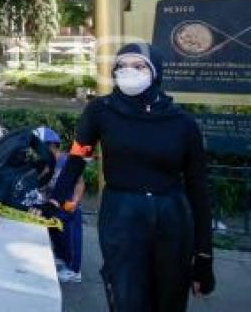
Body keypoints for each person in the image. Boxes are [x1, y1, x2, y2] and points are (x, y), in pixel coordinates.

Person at [42, 43, 215, 311]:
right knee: (126, 298)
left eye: (138, 66)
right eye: (121, 66)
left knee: (169, 300)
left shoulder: (183, 123)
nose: (128, 72)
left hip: (173, 219)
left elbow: (198, 188)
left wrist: (204, 255)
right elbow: (77, 158)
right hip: (122, 217)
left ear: (155, 71)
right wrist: (54, 201)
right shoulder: (101, 111)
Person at [33, 127, 84, 284]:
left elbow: (80, 183)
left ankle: (74, 270)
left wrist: (75, 201)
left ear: (52, 146)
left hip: (68, 206)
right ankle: (61, 258)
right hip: (52, 207)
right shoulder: (43, 163)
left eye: (40, 146)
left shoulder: (67, 161)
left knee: (71, 237)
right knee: (56, 234)